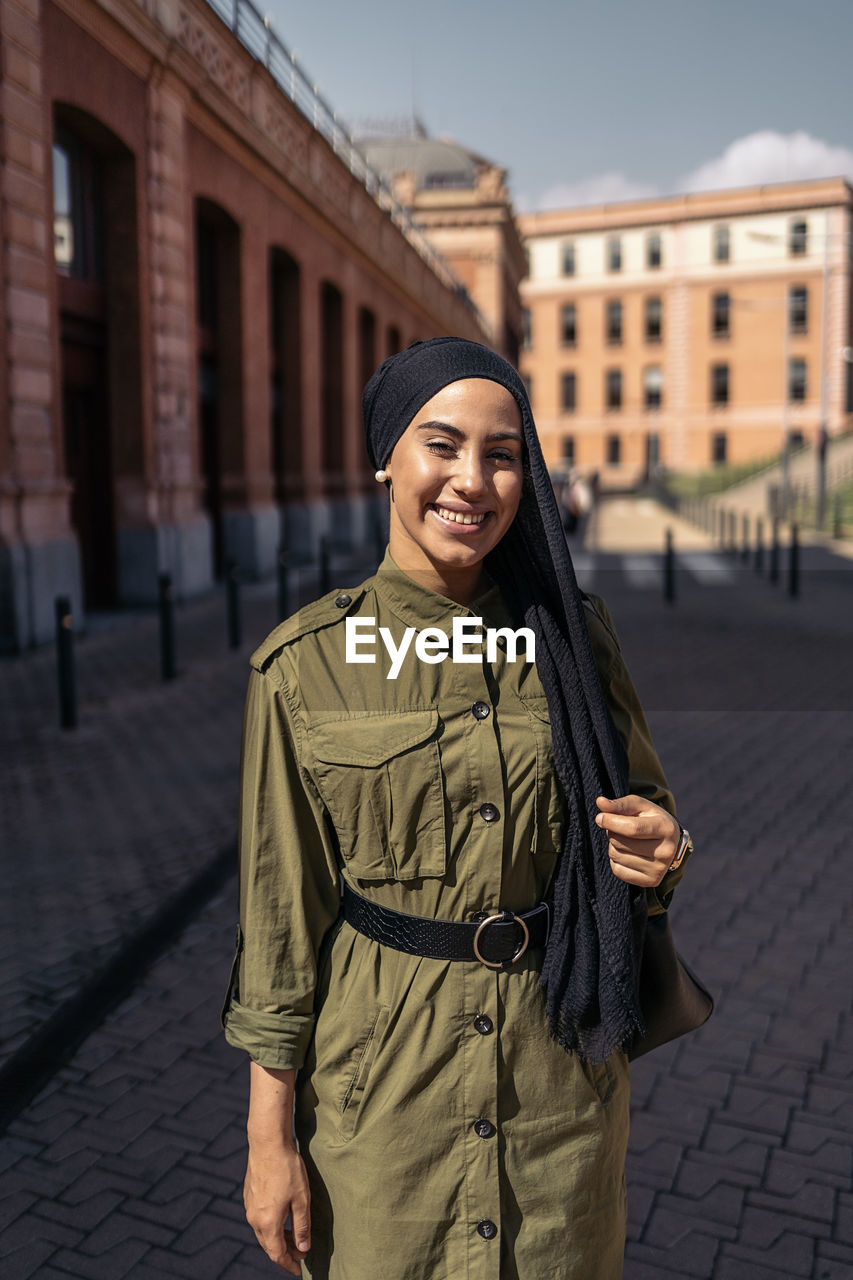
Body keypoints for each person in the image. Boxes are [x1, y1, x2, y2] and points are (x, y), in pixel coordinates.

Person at [222, 337, 693, 1279]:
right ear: (385, 455)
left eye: (502, 454)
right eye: (441, 445)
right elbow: (280, 927)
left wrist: (665, 846)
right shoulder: (304, 665)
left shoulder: (570, 633)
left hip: (559, 1082)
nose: (471, 481)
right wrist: (268, 1143)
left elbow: (645, 804)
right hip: (385, 1093)